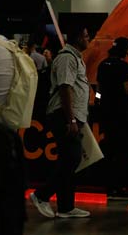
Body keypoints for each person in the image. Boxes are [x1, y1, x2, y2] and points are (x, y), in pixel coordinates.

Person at [30, 24, 92, 219]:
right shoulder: (67, 58)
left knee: (69, 160)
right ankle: (41, 195)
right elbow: (65, 88)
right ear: (78, 38)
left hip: (72, 116)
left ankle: (66, 206)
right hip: (63, 115)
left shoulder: (76, 58)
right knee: (72, 158)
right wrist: (70, 118)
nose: (88, 39)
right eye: (86, 36)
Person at [97, 36, 128, 200]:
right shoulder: (123, 66)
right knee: (122, 151)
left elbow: (98, 89)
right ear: (125, 49)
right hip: (120, 114)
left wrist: (100, 101)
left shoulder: (103, 64)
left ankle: (109, 187)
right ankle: (118, 187)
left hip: (106, 113)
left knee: (109, 150)